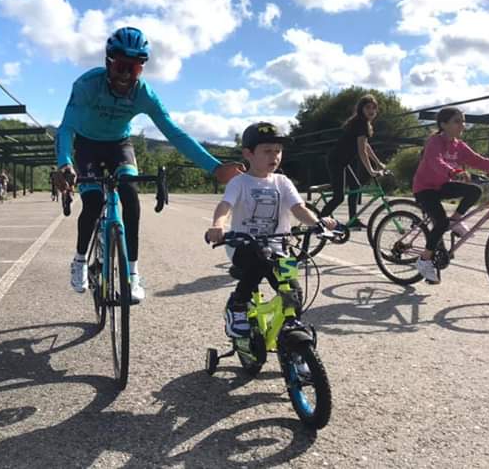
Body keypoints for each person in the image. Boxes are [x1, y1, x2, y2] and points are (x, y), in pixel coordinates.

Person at [54, 26, 243, 303]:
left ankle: (132, 275)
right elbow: (66, 128)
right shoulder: (87, 85)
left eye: (134, 69)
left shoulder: (144, 94)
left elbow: (175, 133)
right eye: (120, 67)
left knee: (130, 195)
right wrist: (64, 164)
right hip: (87, 145)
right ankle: (80, 260)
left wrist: (215, 167)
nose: (125, 76)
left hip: (119, 144)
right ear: (108, 63)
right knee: (93, 202)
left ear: (141, 70)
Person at [205, 122, 337, 338]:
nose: (274, 156)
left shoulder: (282, 182)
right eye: (267, 151)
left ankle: (290, 336)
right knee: (259, 261)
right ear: (248, 153)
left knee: (293, 292)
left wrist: (317, 224)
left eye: (278, 151)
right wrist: (218, 225)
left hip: (278, 248)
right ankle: (236, 306)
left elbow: (298, 208)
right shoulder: (239, 183)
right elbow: (225, 206)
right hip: (243, 247)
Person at [412, 107, 489, 283]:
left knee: (475, 190)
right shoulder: (434, 142)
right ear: (443, 124)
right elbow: (436, 161)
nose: (462, 125)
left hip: (443, 186)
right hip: (425, 188)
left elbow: (480, 161)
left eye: (463, 121)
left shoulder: (459, 146)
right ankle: (424, 259)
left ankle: (455, 220)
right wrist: (453, 171)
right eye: (457, 121)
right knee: (440, 222)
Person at [320, 94, 385, 229]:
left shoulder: (363, 123)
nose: (371, 111)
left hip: (343, 161)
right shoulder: (360, 123)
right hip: (336, 161)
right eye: (368, 108)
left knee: (355, 187)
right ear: (361, 108)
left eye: (374, 108)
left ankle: (353, 220)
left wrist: (378, 163)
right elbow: (362, 151)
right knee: (339, 197)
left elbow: (366, 146)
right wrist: (371, 170)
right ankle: (319, 223)